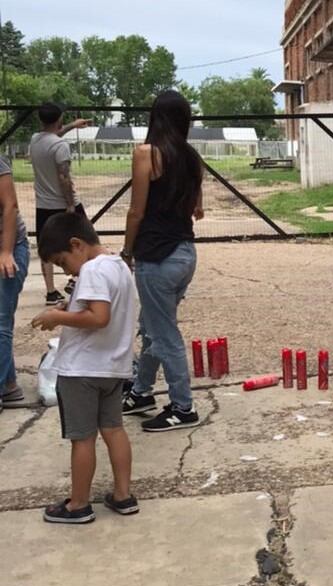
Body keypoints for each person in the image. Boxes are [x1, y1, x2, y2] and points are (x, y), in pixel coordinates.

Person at [31, 212, 137, 523]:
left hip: (82, 370)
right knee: (114, 430)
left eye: (63, 262)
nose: (66, 270)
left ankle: (78, 504)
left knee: (83, 438)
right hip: (113, 367)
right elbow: (104, 309)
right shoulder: (119, 267)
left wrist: (57, 317)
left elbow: (98, 317)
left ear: (76, 245)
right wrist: (71, 305)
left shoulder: (91, 269)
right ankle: (123, 495)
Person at [120, 90, 204, 432]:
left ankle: (183, 407)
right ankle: (141, 391)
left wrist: (126, 252)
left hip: (156, 257)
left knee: (163, 333)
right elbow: (197, 209)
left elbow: (136, 211)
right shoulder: (191, 157)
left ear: (155, 117)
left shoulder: (146, 155)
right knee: (153, 326)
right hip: (185, 254)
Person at [29, 102, 91, 305]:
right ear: (59, 119)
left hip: (43, 204)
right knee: (86, 240)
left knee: (45, 247)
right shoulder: (60, 146)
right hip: (61, 203)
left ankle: (51, 291)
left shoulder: (35, 140)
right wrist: (70, 204)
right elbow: (64, 177)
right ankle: (78, 278)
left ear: (41, 119)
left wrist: (73, 125)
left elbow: (52, 136)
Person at [0, 155, 29, 412]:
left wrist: (6, 251)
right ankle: (9, 385)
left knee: (0, 323)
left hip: (9, 249)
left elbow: (10, 205)